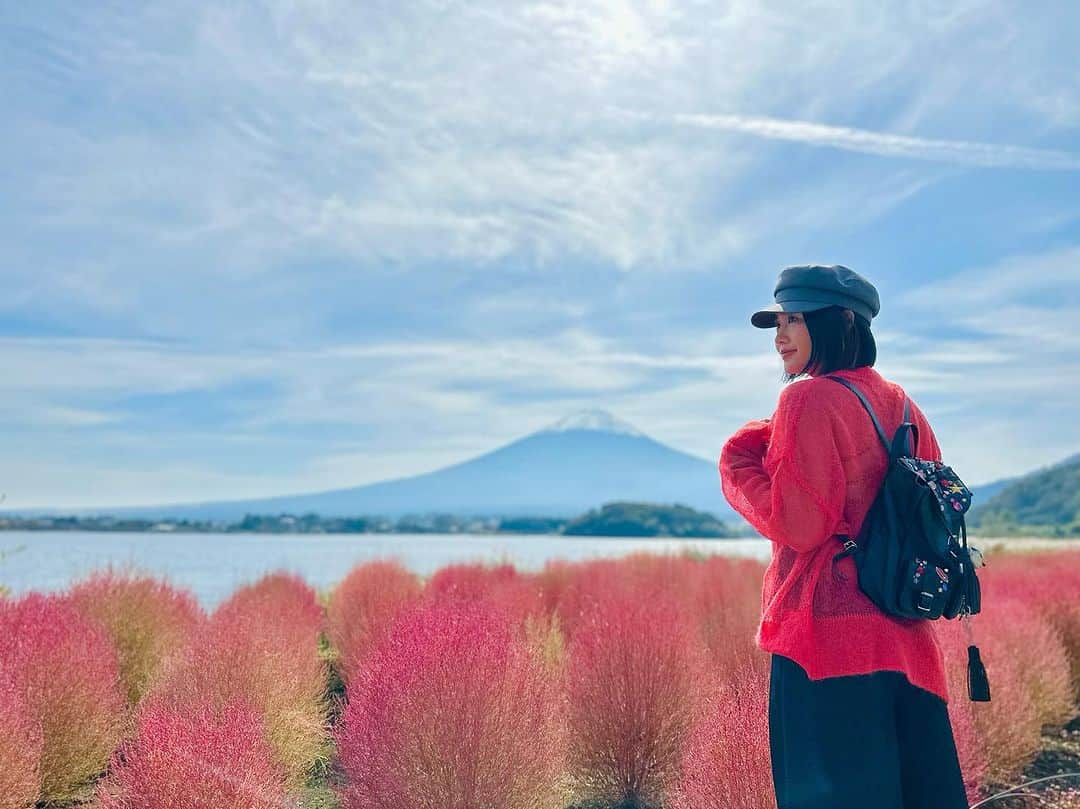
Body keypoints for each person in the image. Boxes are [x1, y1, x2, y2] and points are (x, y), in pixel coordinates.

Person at [718, 265, 970, 809]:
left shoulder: (806, 401)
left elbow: (800, 526)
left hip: (824, 642)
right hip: (907, 641)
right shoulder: (906, 408)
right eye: (777, 322)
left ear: (838, 323)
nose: (780, 335)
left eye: (795, 320)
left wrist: (740, 460)